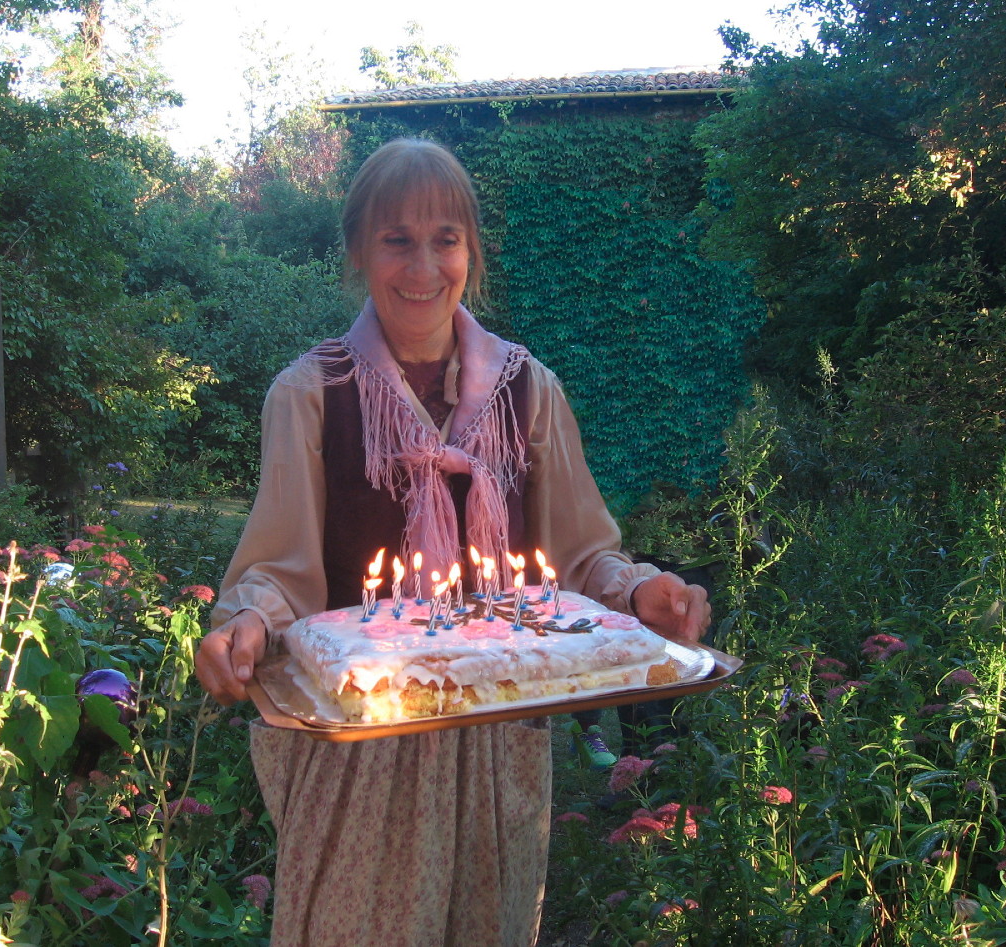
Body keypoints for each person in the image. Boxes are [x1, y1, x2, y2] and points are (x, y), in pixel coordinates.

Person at [194, 138, 710, 947]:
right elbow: (280, 573)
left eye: (446, 239)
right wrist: (247, 624)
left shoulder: (528, 389)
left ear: (472, 250)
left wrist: (639, 591)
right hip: (365, 752)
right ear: (358, 250)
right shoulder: (310, 394)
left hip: (498, 741)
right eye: (397, 239)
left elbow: (579, 559)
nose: (424, 267)